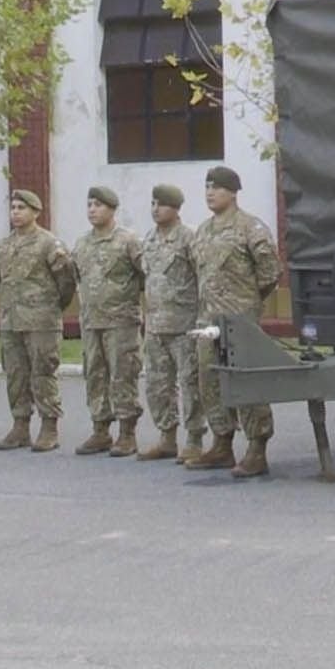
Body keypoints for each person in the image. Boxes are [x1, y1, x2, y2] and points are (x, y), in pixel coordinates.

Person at [187, 166, 281, 478]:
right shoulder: (202, 231)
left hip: (239, 319)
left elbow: (269, 271)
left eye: (217, 187)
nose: (210, 193)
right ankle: (221, 443)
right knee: (209, 381)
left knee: (246, 381)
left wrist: (246, 303)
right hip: (207, 319)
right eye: (207, 187)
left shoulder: (250, 228)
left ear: (233, 192)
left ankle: (257, 448)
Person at [0, 190, 75, 453]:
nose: (15, 212)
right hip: (11, 320)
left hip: (41, 320)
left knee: (43, 372)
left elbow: (66, 281)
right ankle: (20, 425)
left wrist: (52, 307)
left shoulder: (49, 244)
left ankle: (49, 426)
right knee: (15, 374)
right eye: (13, 207)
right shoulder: (2, 246)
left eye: (21, 208)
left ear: (36, 212)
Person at [71, 185, 144, 457]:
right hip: (91, 321)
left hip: (121, 321)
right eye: (89, 205)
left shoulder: (128, 240)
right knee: (94, 374)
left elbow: (146, 276)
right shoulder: (81, 243)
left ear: (112, 209)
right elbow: (76, 278)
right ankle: (100, 429)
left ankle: (127, 432)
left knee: (123, 374)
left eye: (98, 205)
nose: (92, 210)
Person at [137, 183, 205, 464]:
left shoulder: (189, 238)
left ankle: (194, 440)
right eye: (153, 204)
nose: (155, 209)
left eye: (161, 204)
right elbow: (147, 280)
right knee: (157, 384)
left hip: (184, 324)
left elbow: (203, 277)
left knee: (190, 384)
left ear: (175, 208)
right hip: (155, 325)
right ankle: (167, 438)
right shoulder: (149, 239)